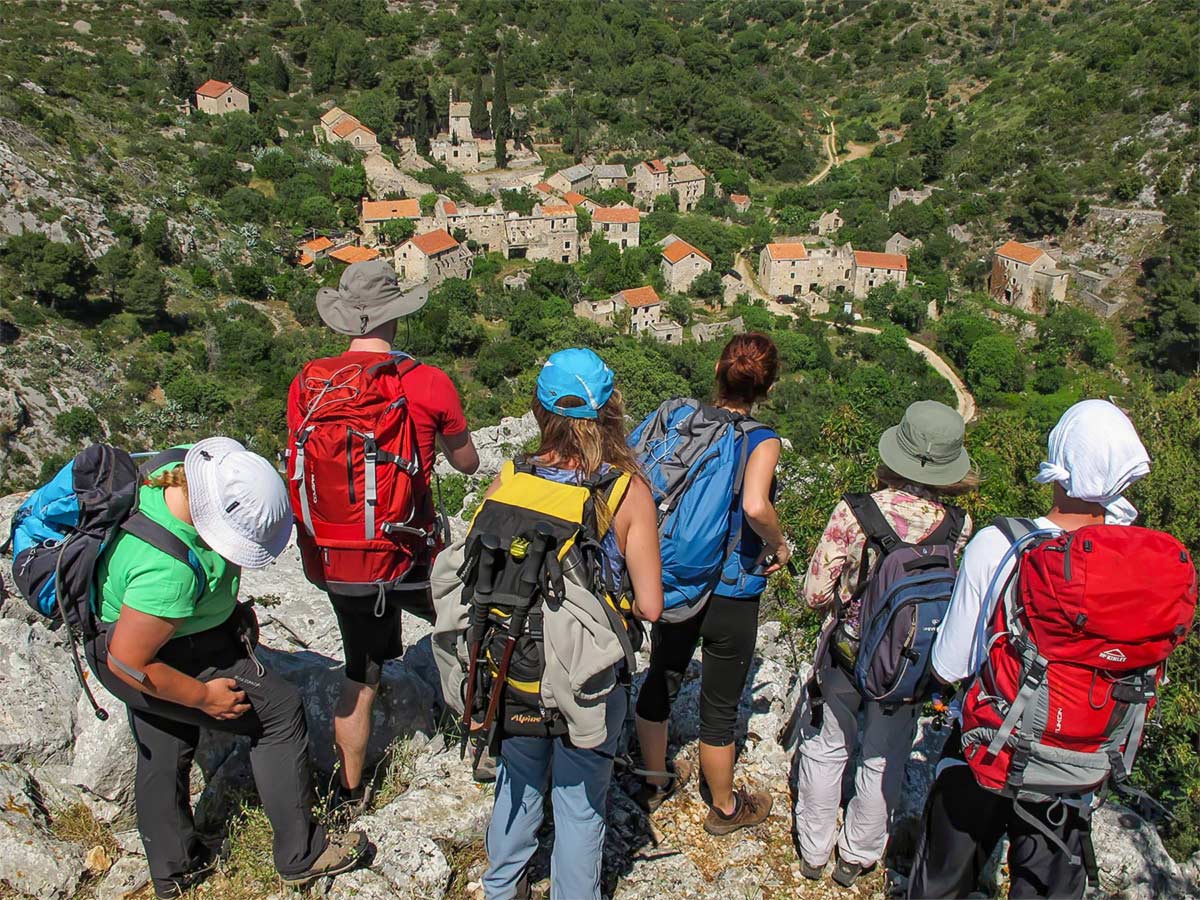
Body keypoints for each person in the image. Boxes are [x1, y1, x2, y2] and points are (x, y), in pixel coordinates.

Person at [87, 439, 366, 899]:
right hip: (137, 653)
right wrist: (202, 698)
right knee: (278, 712)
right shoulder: (166, 570)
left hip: (154, 633)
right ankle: (302, 854)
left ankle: (175, 874)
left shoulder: (180, 469)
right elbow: (128, 663)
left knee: (165, 736)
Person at [909, 400, 1154, 899]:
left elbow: (950, 663)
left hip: (989, 749)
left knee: (942, 881)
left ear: (1057, 462)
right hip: (1079, 767)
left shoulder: (1002, 543)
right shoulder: (1139, 569)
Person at [288, 259, 479, 813]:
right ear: (396, 317)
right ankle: (486, 740)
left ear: (346, 320)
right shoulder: (426, 381)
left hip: (340, 563)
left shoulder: (309, 384)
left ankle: (349, 793)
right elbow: (466, 464)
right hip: (406, 556)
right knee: (469, 627)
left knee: (360, 673)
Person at [476, 348, 664, 900]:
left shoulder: (511, 477)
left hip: (518, 667)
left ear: (539, 411)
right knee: (581, 807)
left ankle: (502, 887)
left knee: (518, 782)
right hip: (587, 677)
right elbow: (650, 606)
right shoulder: (624, 491)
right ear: (610, 411)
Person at [793, 400, 977, 886]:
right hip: (909, 664)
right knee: (883, 755)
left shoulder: (857, 512)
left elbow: (814, 595)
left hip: (849, 655)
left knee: (828, 745)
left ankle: (813, 852)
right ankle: (857, 856)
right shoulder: (959, 526)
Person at [634, 333, 789, 835]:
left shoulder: (685, 420)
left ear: (719, 370)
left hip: (676, 577)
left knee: (661, 676)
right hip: (731, 588)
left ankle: (654, 780)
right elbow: (755, 506)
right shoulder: (761, 440)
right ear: (767, 386)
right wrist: (780, 545)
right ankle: (723, 807)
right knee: (720, 707)